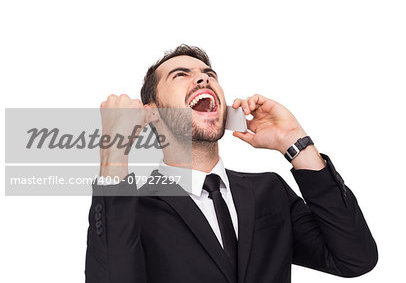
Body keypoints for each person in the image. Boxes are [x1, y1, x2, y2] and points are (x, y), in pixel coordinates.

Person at [85, 45, 378, 283]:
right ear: (151, 114)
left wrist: (295, 142)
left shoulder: (268, 190)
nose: (203, 79)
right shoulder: (131, 206)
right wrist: (114, 152)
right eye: (181, 75)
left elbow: (354, 258)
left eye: (208, 74)